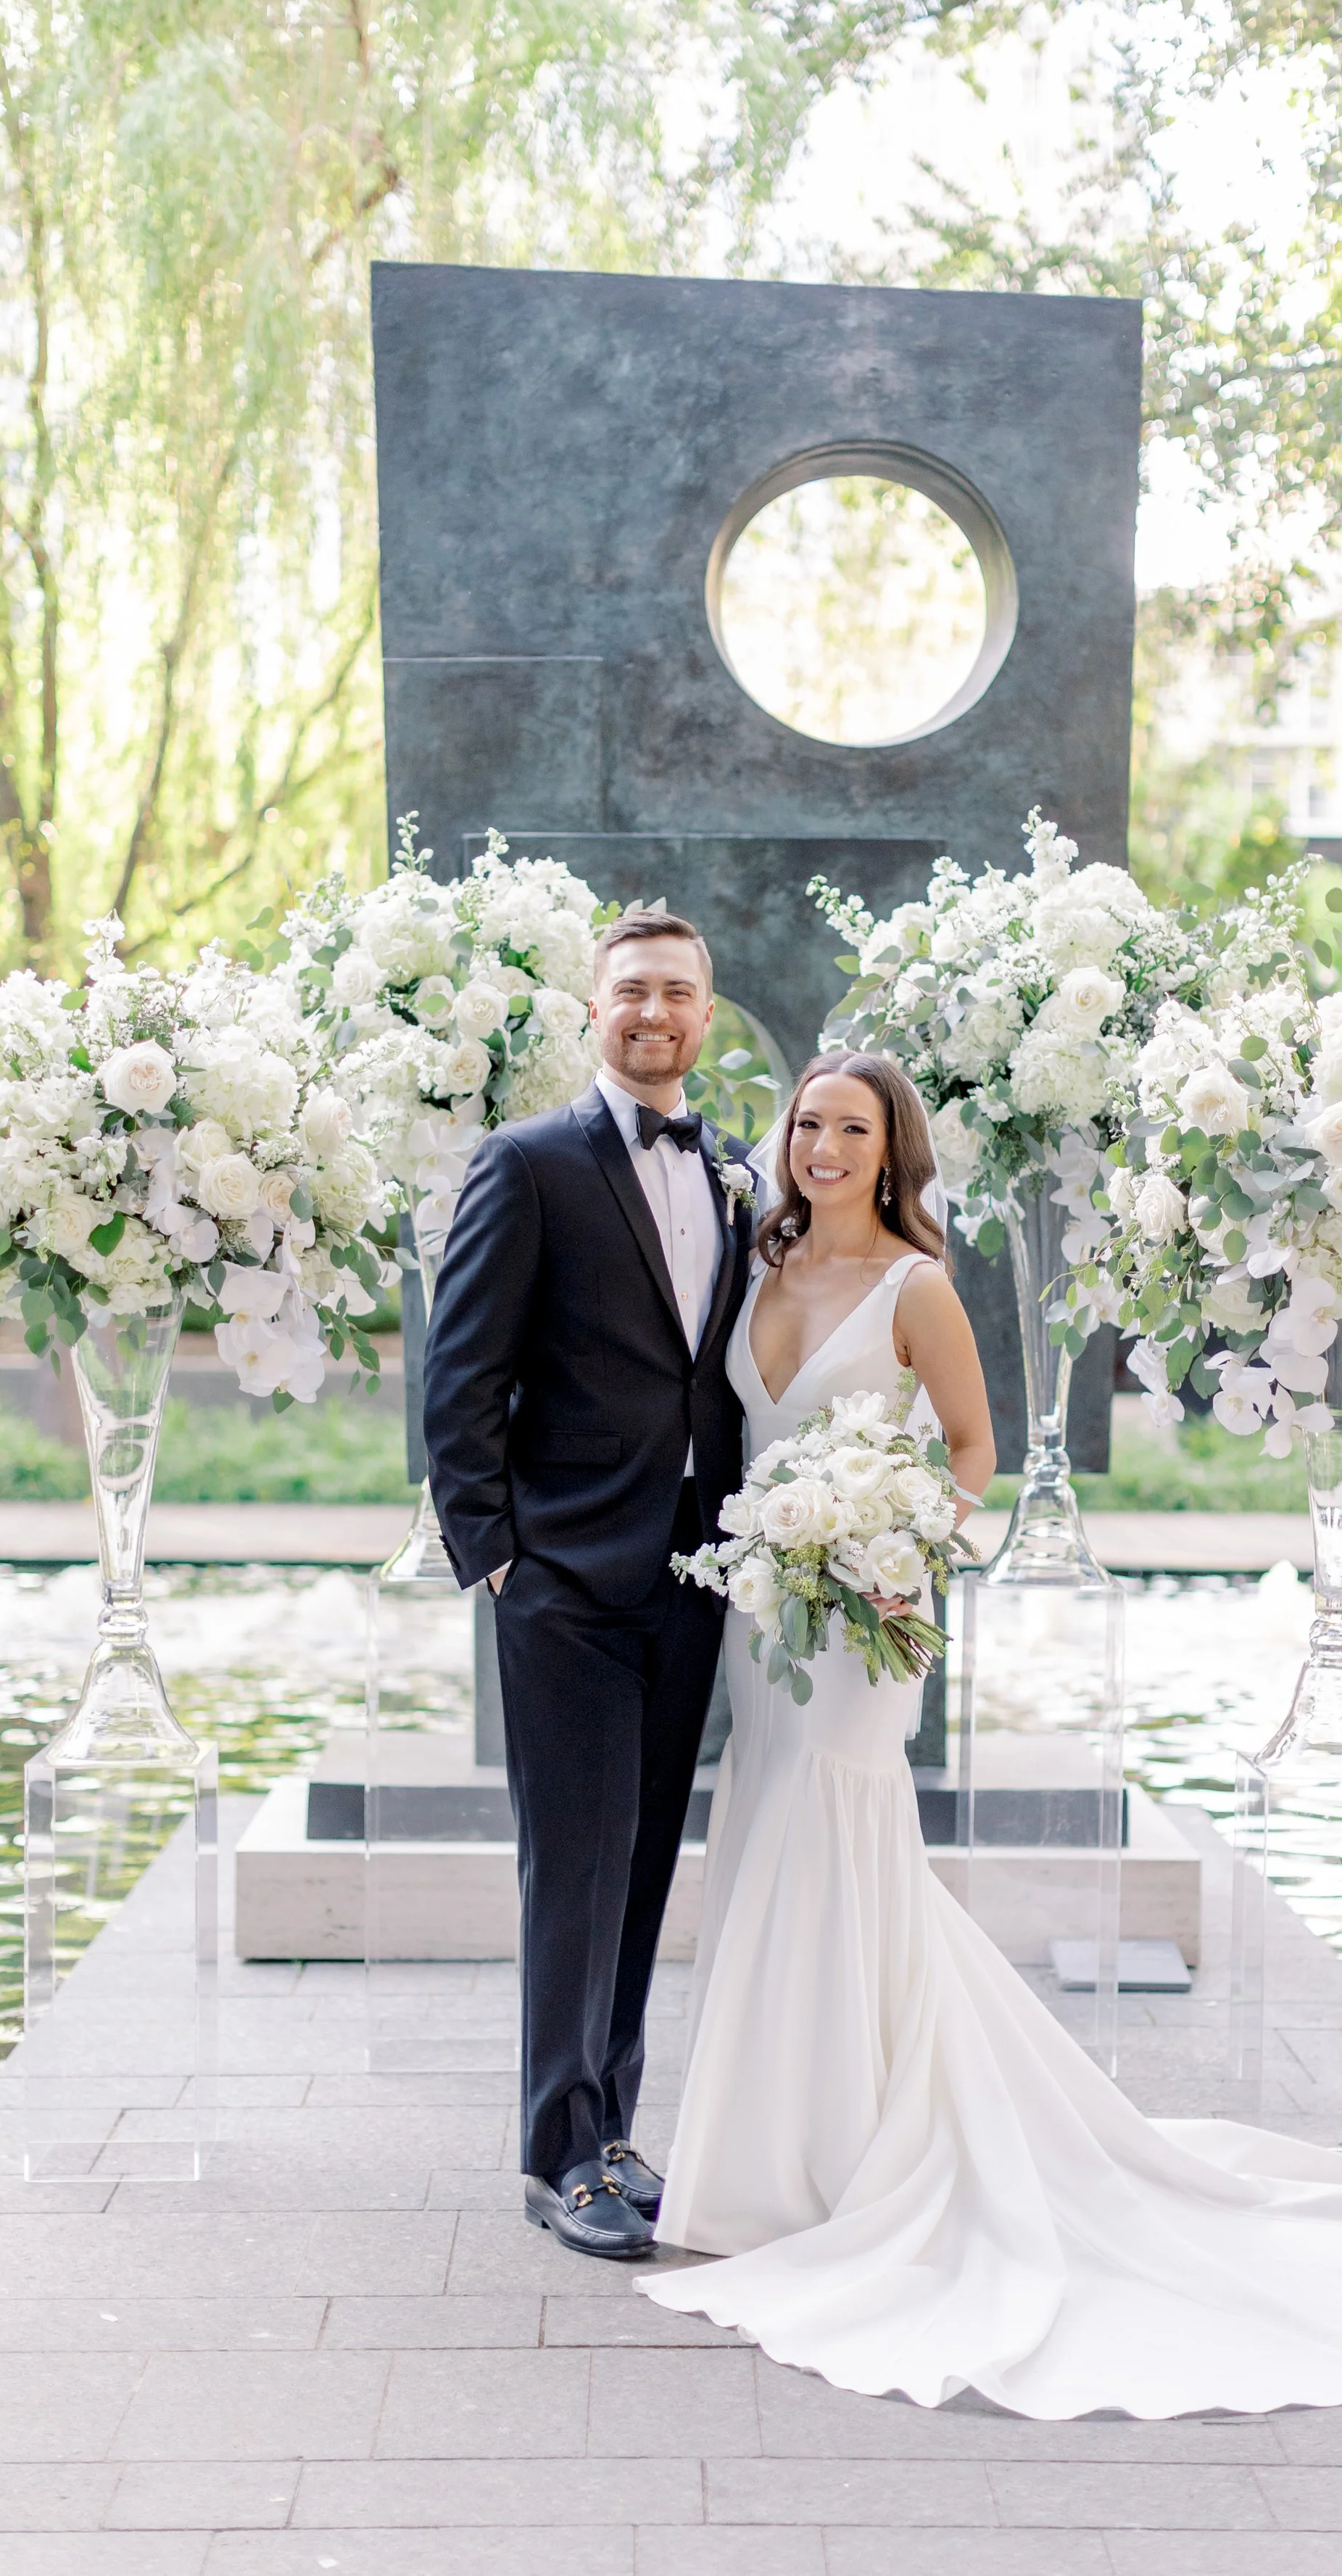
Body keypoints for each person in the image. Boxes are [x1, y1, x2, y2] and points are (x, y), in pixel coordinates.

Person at [638, 1046, 1342, 2417]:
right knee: (773, 1830)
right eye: (806, 1125)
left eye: (849, 1129)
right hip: (767, 1606)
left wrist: (895, 1546)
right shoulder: (763, 1263)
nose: (820, 1148)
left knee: (831, 1826)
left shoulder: (919, 1287)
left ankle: (835, 2165)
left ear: (891, 1151)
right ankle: (767, 2155)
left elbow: (973, 1453)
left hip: (864, 1609)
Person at [421, 908, 753, 2260]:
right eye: (631, 992)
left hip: (693, 1570)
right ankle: (559, 2155)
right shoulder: (527, 1163)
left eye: (678, 992)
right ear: (593, 1008)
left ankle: (611, 2131)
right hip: (561, 1576)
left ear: (706, 1017)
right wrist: (495, 1553)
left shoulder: (732, 1170)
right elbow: (459, 1381)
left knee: (643, 1866)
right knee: (574, 1869)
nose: (654, 1013)